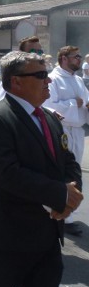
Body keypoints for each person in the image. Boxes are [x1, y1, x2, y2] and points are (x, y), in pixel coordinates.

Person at [0, 51, 83, 287]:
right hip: (10, 236)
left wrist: (70, 197)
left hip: (48, 234)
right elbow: (7, 174)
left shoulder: (49, 117)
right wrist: (60, 194)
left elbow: (69, 161)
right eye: (41, 75)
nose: (48, 80)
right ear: (16, 81)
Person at [43, 45, 88, 236]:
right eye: (75, 56)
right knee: (62, 172)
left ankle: (67, 212)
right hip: (62, 131)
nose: (78, 59)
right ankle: (59, 213)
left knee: (75, 171)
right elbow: (48, 106)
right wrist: (73, 103)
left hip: (78, 131)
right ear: (63, 58)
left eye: (79, 56)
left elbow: (85, 102)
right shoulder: (53, 79)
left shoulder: (78, 80)